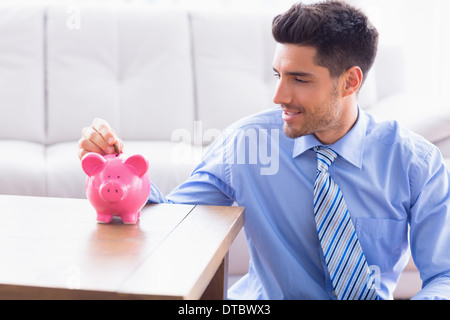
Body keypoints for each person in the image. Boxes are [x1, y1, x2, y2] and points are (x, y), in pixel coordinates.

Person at [78, 1, 450, 300]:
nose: (279, 97)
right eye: (278, 75)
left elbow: (444, 275)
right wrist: (119, 175)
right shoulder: (246, 145)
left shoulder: (415, 163)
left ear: (350, 81)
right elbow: (172, 223)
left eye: (300, 79)